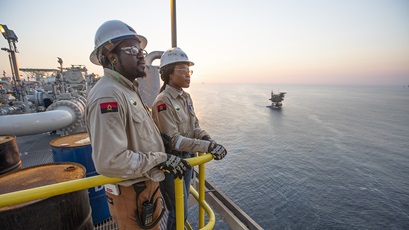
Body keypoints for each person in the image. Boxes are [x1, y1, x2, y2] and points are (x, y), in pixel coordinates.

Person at [85, 20, 191, 230]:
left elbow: (136, 135)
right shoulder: (109, 95)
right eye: (132, 49)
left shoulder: (127, 90)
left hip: (144, 193)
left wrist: (161, 142)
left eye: (142, 49)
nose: (141, 55)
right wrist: (162, 158)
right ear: (112, 57)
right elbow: (110, 161)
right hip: (131, 195)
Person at [151, 47, 227, 230]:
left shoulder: (186, 98)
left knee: (181, 211)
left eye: (189, 70)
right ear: (169, 74)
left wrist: (209, 140)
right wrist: (207, 147)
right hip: (171, 165)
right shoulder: (163, 101)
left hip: (187, 162)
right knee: (178, 213)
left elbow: (195, 128)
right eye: (182, 71)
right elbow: (174, 141)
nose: (188, 75)